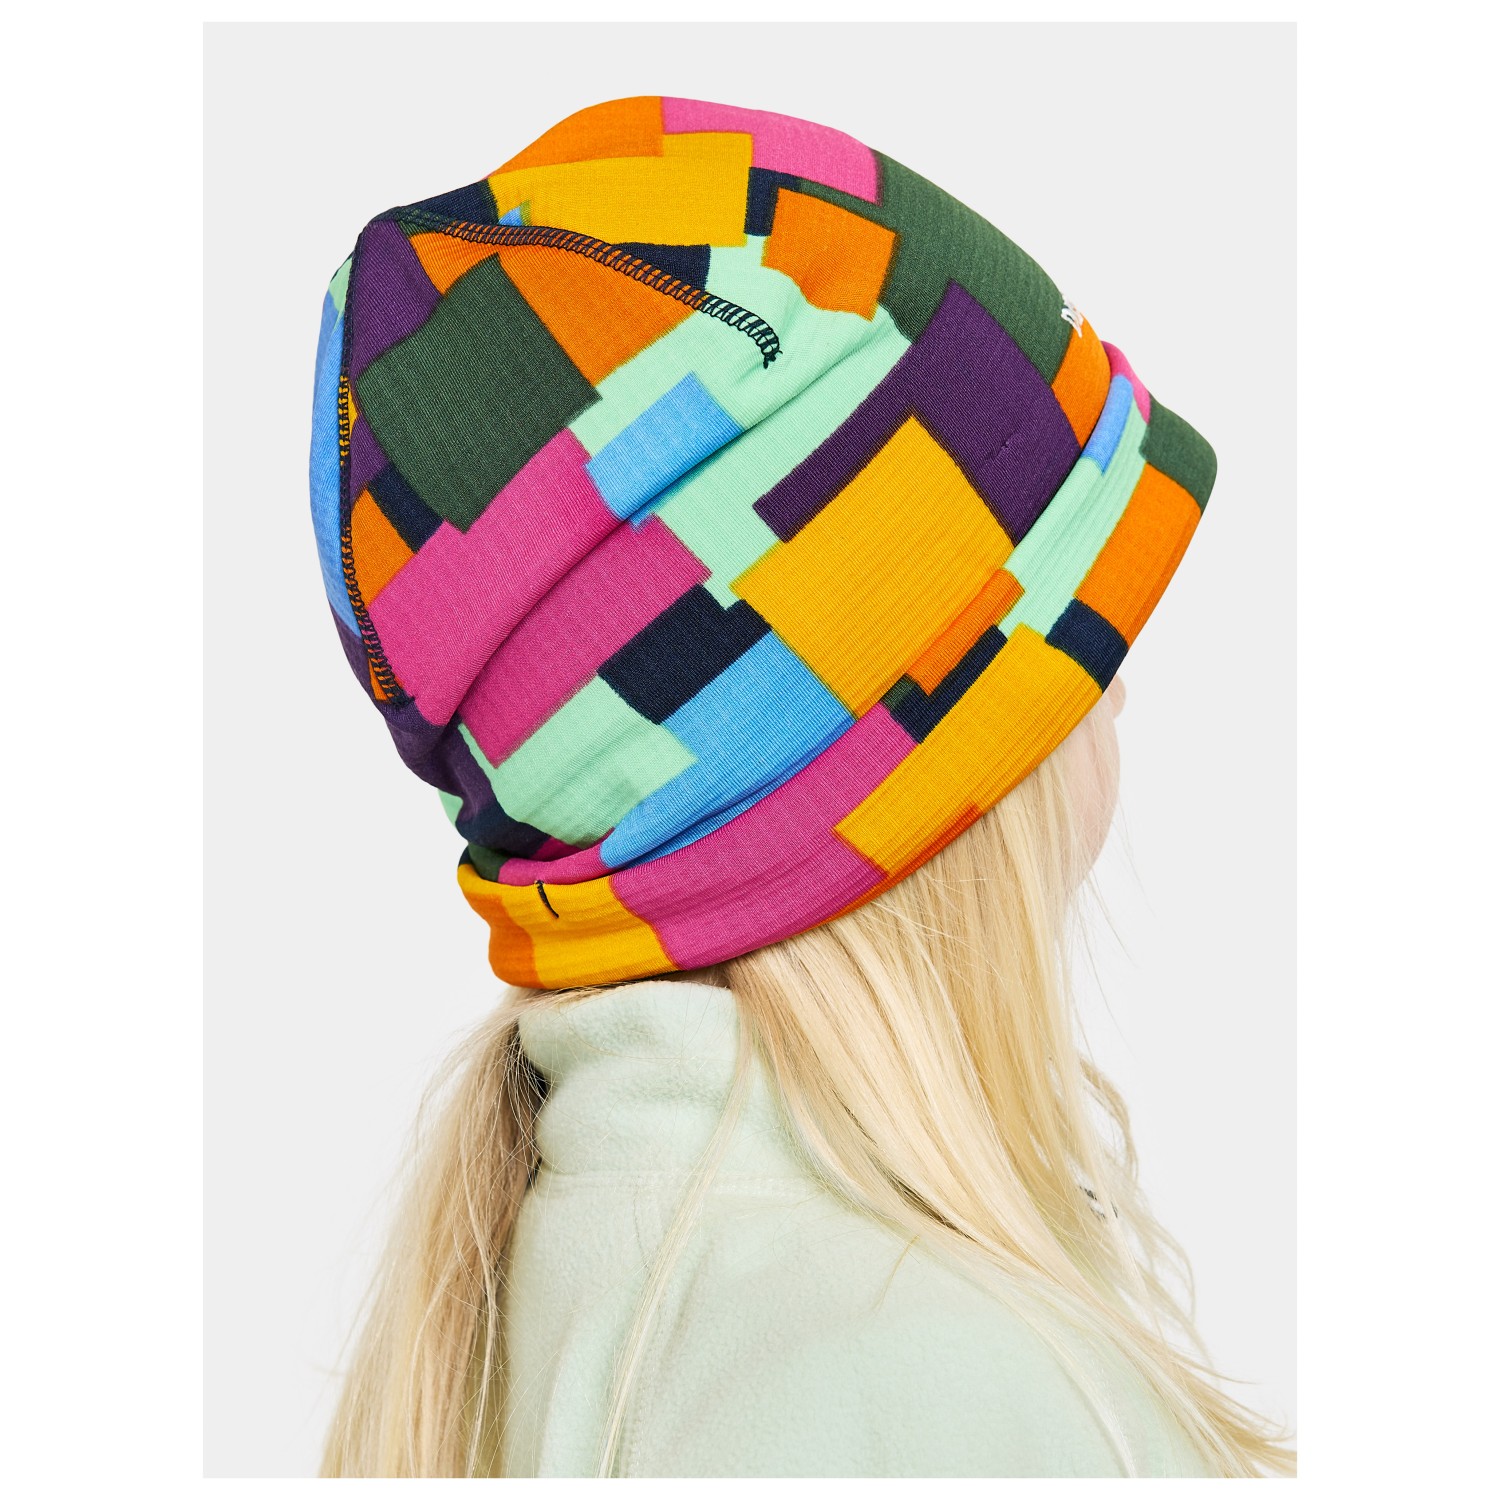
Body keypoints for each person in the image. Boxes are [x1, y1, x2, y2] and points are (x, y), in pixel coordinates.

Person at [306, 96, 1295, 1478]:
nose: (1116, 691)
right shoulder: (959, 1385)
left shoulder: (532, 1296)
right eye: (1070, 642)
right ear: (869, 784)